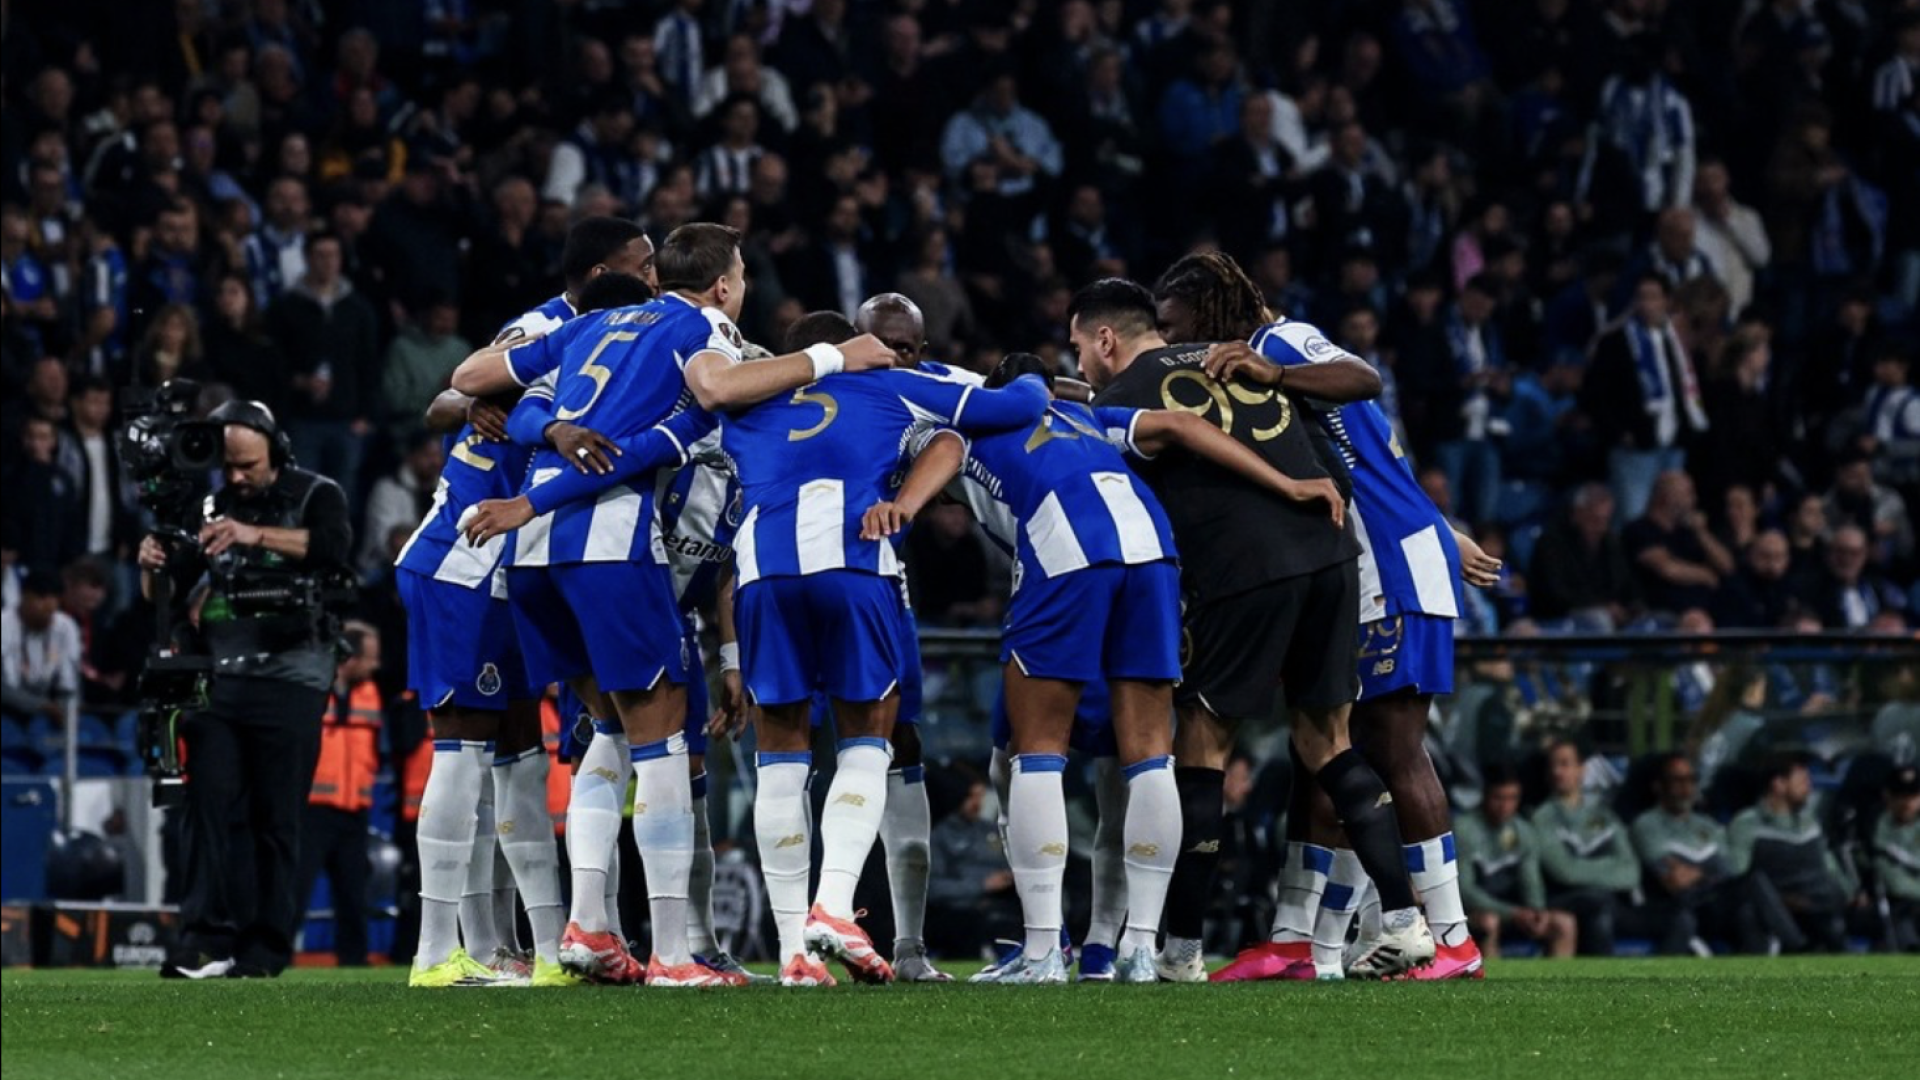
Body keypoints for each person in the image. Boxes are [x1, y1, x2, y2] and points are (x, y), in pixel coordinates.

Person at [448, 224, 897, 987]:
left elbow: (474, 377)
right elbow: (714, 391)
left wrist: (547, 445)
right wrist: (834, 355)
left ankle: (589, 926)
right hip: (608, 543)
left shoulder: (587, 324)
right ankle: (674, 955)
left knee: (609, 732)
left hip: (534, 560)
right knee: (662, 741)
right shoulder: (699, 327)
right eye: (744, 275)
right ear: (724, 286)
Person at [878, 344, 1346, 984]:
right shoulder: (1091, 418)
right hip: (1152, 550)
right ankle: (1138, 948)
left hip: (1069, 548)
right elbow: (1181, 424)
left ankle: (1044, 951)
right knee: (1150, 754)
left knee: (1037, 751)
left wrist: (905, 503)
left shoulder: (972, 421)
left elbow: (948, 449)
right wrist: (1286, 481)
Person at [1080, 266, 1437, 981]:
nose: (1081, 363)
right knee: (1327, 741)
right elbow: (1339, 429)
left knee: (1204, 745)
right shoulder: (1237, 356)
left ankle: (1181, 950)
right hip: (1333, 553)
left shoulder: (1120, 398)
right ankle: (1407, 921)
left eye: (1079, 348)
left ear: (1107, 340)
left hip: (1245, 567)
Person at [702, 307, 1046, 987]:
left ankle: (794, 948)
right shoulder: (891, 387)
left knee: (781, 756)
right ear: (853, 350)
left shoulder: (745, 404)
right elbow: (1002, 413)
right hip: (856, 565)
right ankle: (835, 905)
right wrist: (1037, 379)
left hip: (763, 577)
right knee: (870, 741)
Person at [1200, 293, 1502, 983]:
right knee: (1324, 755)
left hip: (1388, 569)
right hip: (1370, 563)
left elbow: (1361, 375)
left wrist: (1270, 367)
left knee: (1391, 750)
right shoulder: (1271, 383)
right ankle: (1304, 942)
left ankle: (1452, 938)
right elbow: (1372, 462)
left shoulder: (1283, 343)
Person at [412, 216, 659, 985]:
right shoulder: (545, 327)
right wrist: (478, 402)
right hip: (465, 553)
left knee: (517, 759)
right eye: (641, 264)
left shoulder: (623, 333)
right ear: (596, 272)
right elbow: (445, 397)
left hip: (517, 559)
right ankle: (433, 951)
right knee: (462, 749)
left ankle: (536, 949)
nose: (653, 277)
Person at [138, 400, 353, 979]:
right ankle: (202, 939)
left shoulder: (317, 494)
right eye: (229, 467)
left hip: (293, 676)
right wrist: (151, 561)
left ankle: (264, 948)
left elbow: (335, 549)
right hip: (220, 676)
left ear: (276, 452)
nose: (236, 478)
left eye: (248, 466)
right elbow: (166, 590)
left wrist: (252, 532)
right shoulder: (208, 504)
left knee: (276, 817)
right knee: (206, 807)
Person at [1631, 753, 1799, 956]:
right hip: (1682, 908)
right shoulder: (1647, 825)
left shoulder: (1708, 825)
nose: (1686, 788)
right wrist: (1709, 871)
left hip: (1716, 903)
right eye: (1678, 781)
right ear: (1658, 786)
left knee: (1748, 914)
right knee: (1753, 883)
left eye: (1692, 780)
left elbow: (1729, 871)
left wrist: (1698, 873)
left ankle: (1752, 982)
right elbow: (1674, 882)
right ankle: (1797, 947)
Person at [1582, 273, 1708, 522]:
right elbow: (1595, 394)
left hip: (1672, 446)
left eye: (1653, 297)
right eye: (1641, 297)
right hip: (1634, 451)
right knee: (1632, 517)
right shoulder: (1615, 341)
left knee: (1672, 518)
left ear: (1667, 301)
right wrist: (1619, 433)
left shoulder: (1677, 339)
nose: (1646, 304)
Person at [296, 622, 382, 968]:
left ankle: (355, 962)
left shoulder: (371, 692)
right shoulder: (312, 689)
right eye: (370, 658)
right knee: (295, 891)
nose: (375, 665)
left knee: (353, 896)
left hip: (354, 809)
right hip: (313, 809)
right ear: (348, 658)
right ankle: (272, 956)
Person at [1728, 755, 1859, 952]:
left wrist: (1850, 893)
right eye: (1803, 781)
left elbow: (1829, 864)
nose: (1810, 788)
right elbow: (1739, 877)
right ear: (1779, 784)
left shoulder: (1810, 823)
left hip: (1822, 902)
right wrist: (1781, 900)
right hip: (1780, 906)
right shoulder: (1747, 825)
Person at [1532, 738, 1642, 956]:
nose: (1557, 772)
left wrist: (1588, 869)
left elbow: (1631, 872)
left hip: (1610, 903)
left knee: (1679, 918)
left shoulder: (1604, 816)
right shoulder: (1542, 818)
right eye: (1553, 765)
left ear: (1582, 769)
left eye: (1565, 764)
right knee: (1597, 906)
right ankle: (1602, 985)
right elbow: (1565, 872)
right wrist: (1610, 866)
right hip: (1565, 900)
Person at [1456, 764, 1577, 959]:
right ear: (1485, 795)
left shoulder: (1523, 830)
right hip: (1474, 914)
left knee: (1564, 923)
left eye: (1512, 798)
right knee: (1489, 922)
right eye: (1498, 798)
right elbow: (1465, 890)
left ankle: (1557, 986)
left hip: (1515, 914)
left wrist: (1537, 911)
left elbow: (1531, 881)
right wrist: (1513, 913)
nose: (1505, 806)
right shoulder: (1464, 829)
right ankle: (1490, 987)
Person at [1624, 470, 1736, 617]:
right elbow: (1667, 569)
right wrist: (1705, 574)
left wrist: (1701, 532)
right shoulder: (1639, 529)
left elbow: (1727, 566)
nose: (1694, 499)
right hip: (1665, 613)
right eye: (1688, 493)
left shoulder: (1688, 531)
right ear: (1666, 496)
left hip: (1706, 611)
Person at [1528, 483, 1639, 629]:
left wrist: (1631, 607)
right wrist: (1602, 606)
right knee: (1599, 620)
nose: (1601, 527)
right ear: (1577, 514)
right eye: (1594, 520)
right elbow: (1554, 594)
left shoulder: (1610, 543)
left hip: (1607, 612)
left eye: (1605, 520)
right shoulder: (1552, 543)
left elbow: (1625, 584)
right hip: (1561, 615)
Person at [1, 569, 81, 727]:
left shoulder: (65, 627)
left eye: (55, 600)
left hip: (47, 714)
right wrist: (43, 706)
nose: (49, 607)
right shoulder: (4, 624)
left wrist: (65, 708)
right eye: (42, 598)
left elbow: (70, 684)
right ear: (24, 596)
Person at [1874, 765, 1920, 951]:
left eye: (1913, 795)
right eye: (1901, 795)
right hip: (1901, 904)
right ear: (1888, 797)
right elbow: (1896, 884)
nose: (1907, 802)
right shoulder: (1880, 830)